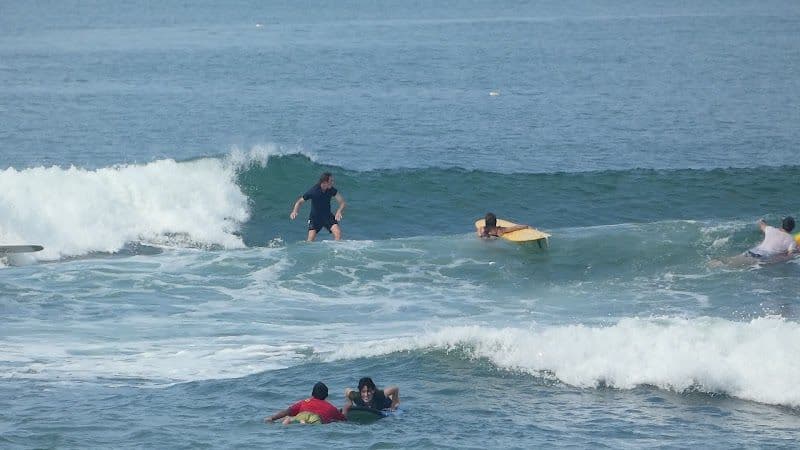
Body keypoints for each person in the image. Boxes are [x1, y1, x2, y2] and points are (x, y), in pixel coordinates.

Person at [290, 172, 346, 241]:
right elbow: (300, 201)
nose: (333, 182)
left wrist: (339, 211)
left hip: (327, 216)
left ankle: (335, 251)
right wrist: (294, 211)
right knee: (310, 241)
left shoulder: (331, 190)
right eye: (331, 181)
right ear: (325, 182)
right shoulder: (313, 191)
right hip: (315, 219)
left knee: (338, 233)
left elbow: (342, 202)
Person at [265, 381, 346, 425]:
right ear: (326, 395)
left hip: (302, 416)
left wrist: (272, 418)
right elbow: (343, 420)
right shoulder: (331, 408)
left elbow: (287, 411)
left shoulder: (304, 402)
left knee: (291, 418)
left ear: (312, 394)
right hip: (315, 420)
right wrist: (346, 408)